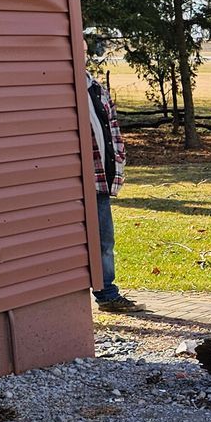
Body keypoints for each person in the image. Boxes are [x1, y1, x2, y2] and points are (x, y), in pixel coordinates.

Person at [86, 69, 143, 312]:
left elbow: (114, 131)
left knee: (104, 240)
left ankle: (107, 293)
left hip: (99, 180)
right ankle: (104, 293)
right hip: (76, 182)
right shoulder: (64, 91)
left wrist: (118, 159)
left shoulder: (97, 90)